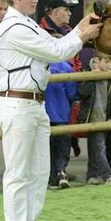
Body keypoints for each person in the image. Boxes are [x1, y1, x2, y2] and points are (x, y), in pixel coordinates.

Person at [0, 0, 101, 221]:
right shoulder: (13, 28)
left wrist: (80, 27)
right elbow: (56, 51)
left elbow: (57, 43)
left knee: (39, 171)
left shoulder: (27, 24)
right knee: (18, 173)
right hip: (18, 104)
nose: (35, 0)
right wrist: (83, 35)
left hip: (35, 105)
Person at [77, 51, 111, 185]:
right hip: (92, 117)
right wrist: (91, 76)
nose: (110, 65)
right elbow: (82, 93)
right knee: (99, 146)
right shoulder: (86, 72)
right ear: (97, 60)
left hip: (106, 116)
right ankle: (106, 175)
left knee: (96, 147)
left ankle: (92, 175)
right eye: (106, 62)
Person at [45, 44, 78, 189]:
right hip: (62, 113)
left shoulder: (41, 66)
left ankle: (50, 176)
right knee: (62, 148)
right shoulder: (66, 67)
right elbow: (72, 93)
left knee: (47, 148)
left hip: (44, 114)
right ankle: (61, 172)